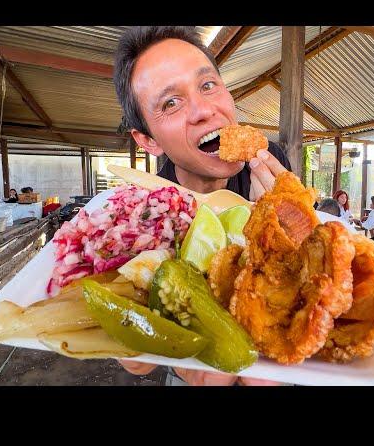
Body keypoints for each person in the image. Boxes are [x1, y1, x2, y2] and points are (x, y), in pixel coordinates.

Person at [111, 26, 294, 386]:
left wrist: (288, 227)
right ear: (147, 140)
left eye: (208, 85)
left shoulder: (271, 160)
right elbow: (140, 354)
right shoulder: (152, 211)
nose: (203, 110)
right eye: (170, 103)